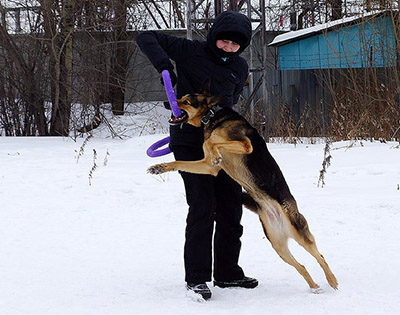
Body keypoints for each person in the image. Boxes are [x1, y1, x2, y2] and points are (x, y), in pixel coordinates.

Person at [136, 11, 257, 300]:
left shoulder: (239, 67)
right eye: (224, 41)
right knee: (203, 205)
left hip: (221, 143)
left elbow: (232, 99)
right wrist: (166, 67)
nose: (228, 47)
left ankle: (227, 273)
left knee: (231, 206)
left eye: (235, 44)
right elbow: (145, 37)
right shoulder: (190, 50)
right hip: (190, 142)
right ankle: (197, 278)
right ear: (214, 36)